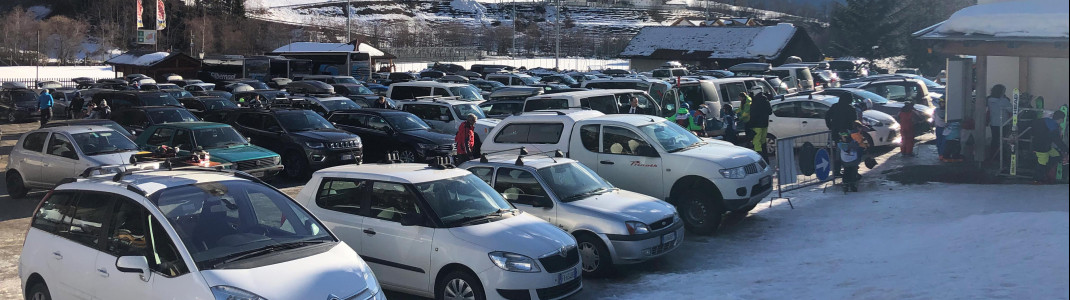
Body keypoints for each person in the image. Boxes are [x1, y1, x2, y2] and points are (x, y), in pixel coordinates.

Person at [1028, 110, 1068, 184]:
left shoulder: (1042, 120)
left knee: (1057, 155)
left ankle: (1044, 172)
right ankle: (1037, 180)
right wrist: (1066, 150)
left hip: (1040, 145)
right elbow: (1058, 141)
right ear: (1061, 119)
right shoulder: (1053, 128)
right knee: (1042, 163)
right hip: (1042, 148)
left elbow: (1031, 126)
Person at [825, 95, 858, 175]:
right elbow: (854, 122)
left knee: (838, 151)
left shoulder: (835, 107)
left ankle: (837, 170)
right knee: (847, 151)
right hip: (847, 133)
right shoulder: (851, 109)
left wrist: (830, 126)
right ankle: (848, 169)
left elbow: (827, 116)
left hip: (836, 133)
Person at [986, 84, 1012, 159]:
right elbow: (1011, 109)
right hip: (1004, 123)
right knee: (1003, 140)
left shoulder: (989, 100)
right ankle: (1001, 156)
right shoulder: (1004, 101)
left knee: (994, 139)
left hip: (993, 122)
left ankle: (993, 155)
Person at [747, 88, 772, 154]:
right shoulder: (766, 99)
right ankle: (765, 156)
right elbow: (770, 112)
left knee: (756, 141)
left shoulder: (755, 101)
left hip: (756, 125)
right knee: (763, 141)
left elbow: (753, 114)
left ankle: (759, 156)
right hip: (765, 124)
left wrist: (750, 124)